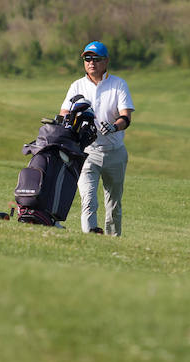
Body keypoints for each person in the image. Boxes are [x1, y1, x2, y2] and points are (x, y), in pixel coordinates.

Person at [60, 41, 134, 236]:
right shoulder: (77, 86)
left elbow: (126, 117)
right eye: (87, 58)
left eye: (96, 59)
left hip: (115, 152)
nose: (91, 62)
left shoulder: (118, 84)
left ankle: (112, 242)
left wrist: (114, 127)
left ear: (106, 61)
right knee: (88, 200)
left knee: (114, 205)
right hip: (87, 153)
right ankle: (90, 240)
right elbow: (64, 113)